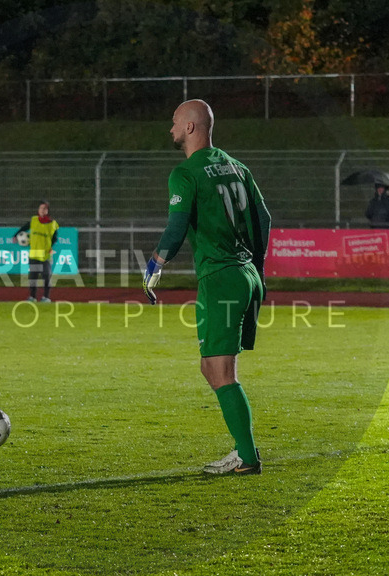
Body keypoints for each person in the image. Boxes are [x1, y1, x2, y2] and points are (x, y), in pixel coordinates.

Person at [143, 99, 272, 475]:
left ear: (190, 127)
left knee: (221, 371)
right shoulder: (237, 167)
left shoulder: (186, 173)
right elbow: (263, 219)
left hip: (220, 278)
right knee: (211, 367)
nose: (170, 129)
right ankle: (244, 452)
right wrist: (258, 269)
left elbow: (176, 227)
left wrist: (155, 266)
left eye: (174, 122)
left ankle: (247, 456)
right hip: (246, 274)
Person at [15, 201, 59, 302]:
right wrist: (15, 235)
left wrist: (49, 246)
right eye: (40, 208)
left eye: (44, 208)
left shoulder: (52, 223)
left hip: (45, 255)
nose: (42, 210)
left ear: (47, 211)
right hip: (34, 254)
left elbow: (55, 238)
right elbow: (24, 228)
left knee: (46, 277)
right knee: (33, 277)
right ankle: (32, 297)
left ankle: (46, 297)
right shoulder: (34, 220)